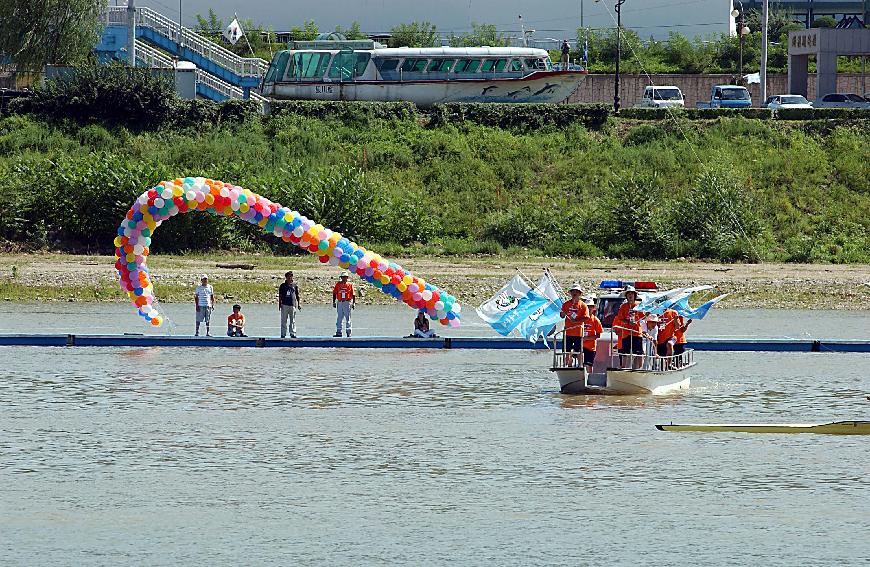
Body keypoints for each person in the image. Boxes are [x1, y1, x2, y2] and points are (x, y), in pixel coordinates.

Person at [612, 286, 644, 369]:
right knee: (625, 352)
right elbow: (620, 318)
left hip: (637, 333)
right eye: (628, 294)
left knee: (639, 352)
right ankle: (623, 367)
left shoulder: (639, 306)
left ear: (634, 295)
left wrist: (639, 320)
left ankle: (640, 368)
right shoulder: (623, 306)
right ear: (626, 296)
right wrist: (628, 322)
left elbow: (643, 318)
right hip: (626, 333)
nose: (630, 295)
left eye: (632, 294)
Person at [559, 283, 590, 367]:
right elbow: (561, 316)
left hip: (578, 333)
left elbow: (586, 317)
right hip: (568, 332)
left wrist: (576, 320)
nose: (574, 293)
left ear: (579, 294)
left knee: (579, 351)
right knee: (566, 350)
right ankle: (568, 365)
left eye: (576, 292)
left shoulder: (583, 305)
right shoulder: (566, 304)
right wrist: (563, 313)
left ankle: (580, 366)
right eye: (573, 292)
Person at [581, 296, 603, 374]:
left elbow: (598, 335)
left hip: (590, 347)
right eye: (587, 307)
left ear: (593, 308)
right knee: (580, 364)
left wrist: (587, 338)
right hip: (580, 346)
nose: (588, 308)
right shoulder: (580, 319)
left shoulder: (595, 320)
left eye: (590, 307)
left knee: (589, 365)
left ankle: (590, 377)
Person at [278, 271, 302, 339]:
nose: (289, 278)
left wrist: (299, 304)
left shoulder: (295, 285)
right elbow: (280, 296)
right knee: (283, 320)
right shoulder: (282, 286)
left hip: (292, 305)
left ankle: (292, 333)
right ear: (286, 277)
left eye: (291, 276)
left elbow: (297, 295)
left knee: (292, 320)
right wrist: (279, 304)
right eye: (288, 276)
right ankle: (283, 334)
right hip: (284, 305)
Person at [332, 271, 355, 337]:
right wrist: (333, 302)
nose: (343, 278)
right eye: (342, 277)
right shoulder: (338, 284)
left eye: (345, 277)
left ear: (347, 278)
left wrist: (353, 303)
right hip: (339, 302)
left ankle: (348, 332)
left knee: (348, 318)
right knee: (339, 318)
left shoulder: (349, 285)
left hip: (347, 302)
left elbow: (353, 294)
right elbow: (334, 293)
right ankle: (338, 332)